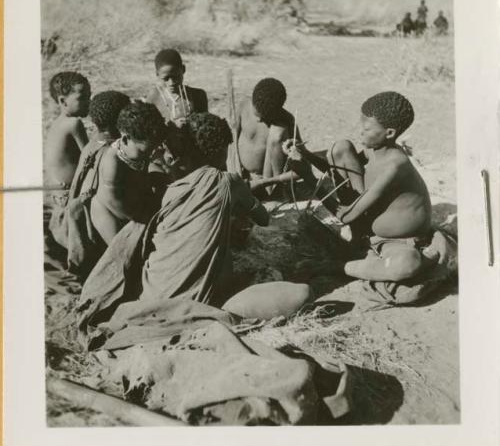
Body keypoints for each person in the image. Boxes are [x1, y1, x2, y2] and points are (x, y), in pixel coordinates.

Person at [80, 112, 312, 323]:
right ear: (220, 152)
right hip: (188, 308)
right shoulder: (226, 182)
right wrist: (247, 196)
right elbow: (262, 218)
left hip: (146, 299)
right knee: (302, 293)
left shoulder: (166, 189)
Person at [289, 91, 438, 284]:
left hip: (397, 240)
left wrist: (307, 178)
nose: (360, 132)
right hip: (367, 222)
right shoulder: (373, 149)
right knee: (340, 149)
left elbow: (346, 216)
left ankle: (339, 267)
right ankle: (358, 241)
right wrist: (306, 154)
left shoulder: (394, 166)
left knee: (407, 265)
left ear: (390, 133)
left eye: (366, 129)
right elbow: (336, 170)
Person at [48, 91, 133, 273]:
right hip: (96, 231)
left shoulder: (91, 145)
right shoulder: (113, 155)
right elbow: (113, 201)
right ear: (121, 122)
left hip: (77, 224)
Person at [90, 101, 166, 246]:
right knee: (123, 251)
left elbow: (148, 167)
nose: (149, 155)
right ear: (125, 139)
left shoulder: (139, 150)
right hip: (110, 209)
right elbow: (114, 200)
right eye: (145, 151)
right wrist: (141, 218)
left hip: (132, 201)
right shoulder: (112, 163)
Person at [227, 77, 314, 199]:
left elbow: (304, 164)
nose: (258, 120)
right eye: (255, 113)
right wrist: (235, 170)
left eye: (264, 118)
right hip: (243, 177)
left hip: (268, 181)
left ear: (277, 112)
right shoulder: (244, 106)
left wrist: (270, 181)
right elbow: (231, 140)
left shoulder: (286, 120)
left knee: (278, 132)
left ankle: (277, 193)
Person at [45, 71, 91, 198]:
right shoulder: (74, 124)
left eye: (89, 96)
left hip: (58, 194)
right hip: (71, 194)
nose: (88, 101)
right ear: (63, 101)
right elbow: (90, 157)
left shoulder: (56, 124)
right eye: (82, 98)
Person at [145, 48, 208, 127]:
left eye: (176, 77)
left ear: (183, 69)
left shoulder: (197, 95)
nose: (171, 83)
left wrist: (191, 124)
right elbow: (148, 128)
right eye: (166, 79)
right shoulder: (154, 96)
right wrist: (171, 125)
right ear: (157, 74)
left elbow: (204, 127)